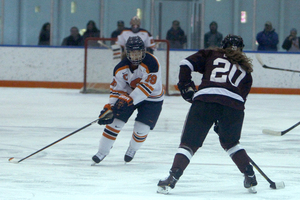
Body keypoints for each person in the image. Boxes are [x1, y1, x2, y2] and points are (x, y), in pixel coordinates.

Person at [157, 35, 257, 194]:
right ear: (241, 49)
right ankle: (249, 174)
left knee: (189, 143)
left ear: (223, 46)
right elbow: (239, 100)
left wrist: (186, 85)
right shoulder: (246, 71)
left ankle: (172, 177)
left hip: (206, 100)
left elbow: (185, 63)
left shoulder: (212, 54)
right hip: (233, 108)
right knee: (231, 143)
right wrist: (223, 123)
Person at [92, 36, 164, 165]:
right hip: (131, 95)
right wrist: (111, 106)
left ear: (144, 51)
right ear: (127, 52)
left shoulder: (152, 62)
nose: (136, 56)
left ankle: (132, 149)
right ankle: (102, 151)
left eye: (138, 52)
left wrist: (128, 100)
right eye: (133, 52)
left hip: (152, 98)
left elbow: (146, 88)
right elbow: (117, 90)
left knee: (141, 128)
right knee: (114, 122)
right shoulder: (120, 68)